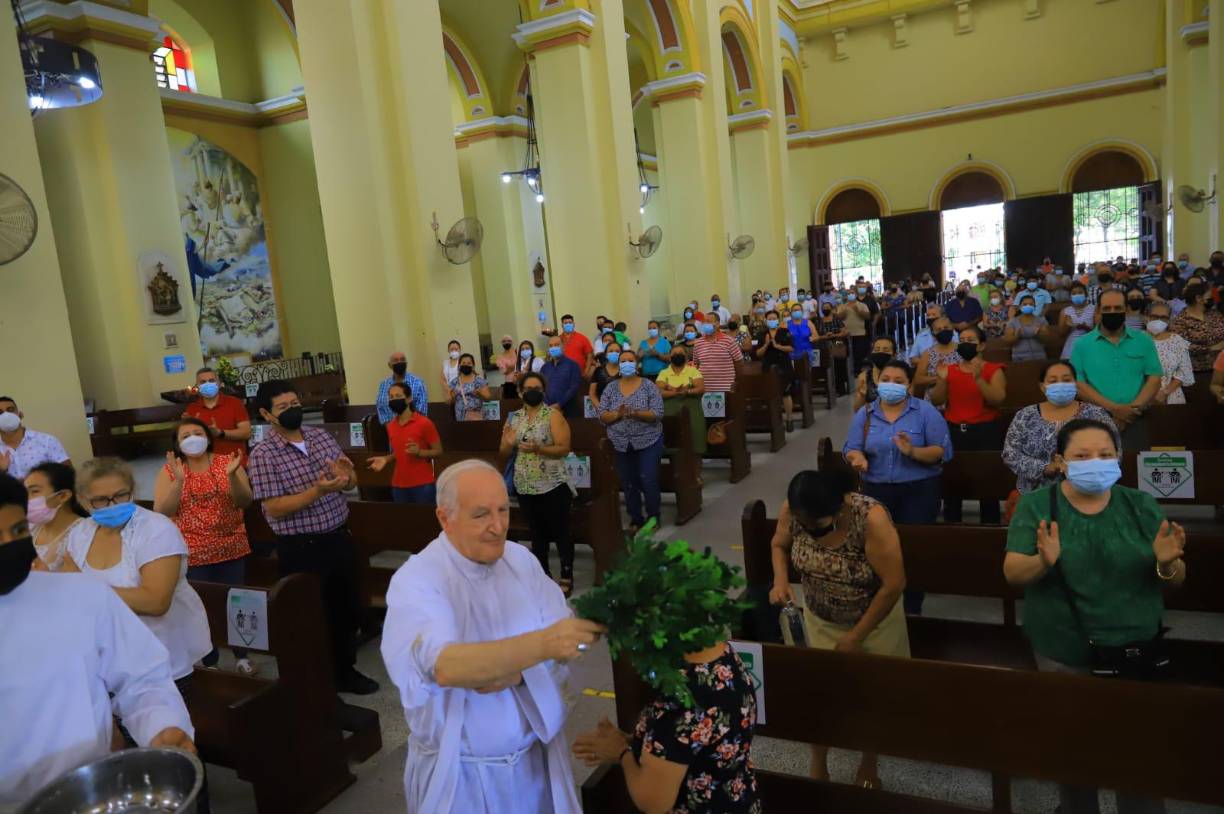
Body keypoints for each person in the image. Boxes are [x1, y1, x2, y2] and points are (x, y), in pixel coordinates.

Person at [380, 460, 603, 814]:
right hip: (464, 776)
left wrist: (518, 673)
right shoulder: (419, 580)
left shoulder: (521, 561)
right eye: (481, 514)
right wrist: (541, 646)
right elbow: (444, 666)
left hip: (535, 761)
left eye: (503, 509)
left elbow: (567, 634)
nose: (498, 526)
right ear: (444, 517)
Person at [1004, 417, 1182, 814]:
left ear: (1118, 457)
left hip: (1136, 648)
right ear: (1061, 461)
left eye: (1105, 454)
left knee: (1138, 758)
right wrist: (1044, 563)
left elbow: (1174, 578)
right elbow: (1013, 572)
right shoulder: (1037, 506)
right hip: (1065, 648)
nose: (1095, 462)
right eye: (1082, 456)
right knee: (1076, 752)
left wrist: (1166, 563)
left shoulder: (1139, 505)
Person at [0, 472, 196, 806]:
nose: (8, 546)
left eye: (17, 531)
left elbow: (142, 678)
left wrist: (163, 725)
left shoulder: (81, 595)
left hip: (92, 790)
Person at [61, 456, 211, 756]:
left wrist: (88, 591)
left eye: (121, 495)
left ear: (132, 490)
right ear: (83, 501)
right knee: (125, 760)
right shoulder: (81, 533)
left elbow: (155, 601)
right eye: (101, 500)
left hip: (164, 662)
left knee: (172, 749)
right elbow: (68, 594)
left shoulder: (155, 529)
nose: (113, 505)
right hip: (108, 664)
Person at [767, 469, 907, 787]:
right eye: (805, 527)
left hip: (873, 621)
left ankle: (869, 762)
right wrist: (779, 580)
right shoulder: (794, 508)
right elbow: (779, 544)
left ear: (839, 509)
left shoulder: (869, 518)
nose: (811, 533)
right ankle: (818, 761)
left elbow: (894, 584)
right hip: (820, 617)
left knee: (871, 698)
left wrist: (856, 636)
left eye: (818, 528)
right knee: (818, 697)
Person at [248, 380, 378, 695]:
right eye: (283, 407)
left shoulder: (320, 437)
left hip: (338, 536)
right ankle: (320, 683)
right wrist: (317, 490)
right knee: (312, 616)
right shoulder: (263, 455)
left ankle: (345, 671)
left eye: (295, 403)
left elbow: (351, 479)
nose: (292, 409)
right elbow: (275, 508)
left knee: (345, 609)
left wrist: (347, 477)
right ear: (267, 414)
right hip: (301, 547)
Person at [842, 360, 949, 615]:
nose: (891, 384)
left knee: (912, 549)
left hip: (918, 490)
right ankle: (881, 606)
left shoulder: (925, 412)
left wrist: (912, 451)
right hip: (875, 491)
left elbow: (941, 451)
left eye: (898, 381)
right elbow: (851, 447)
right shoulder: (866, 414)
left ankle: (913, 606)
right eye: (886, 379)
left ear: (910, 386)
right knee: (876, 548)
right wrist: (856, 457)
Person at [154, 418, 255, 673]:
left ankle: (243, 656)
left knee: (238, 604)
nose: (192, 438)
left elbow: (244, 501)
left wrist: (232, 476)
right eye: (185, 436)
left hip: (231, 547)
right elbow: (163, 511)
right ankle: (210, 660)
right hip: (193, 553)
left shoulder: (227, 462)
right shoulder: (170, 470)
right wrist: (178, 481)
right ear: (177, 444)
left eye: (197, 433)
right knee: (202, 609)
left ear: (208, 437)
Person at [500, 372, 575, 595]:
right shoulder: (513, 418)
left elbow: (564, 448)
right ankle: (543, 574)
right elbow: (503, 452)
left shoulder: (553, 415)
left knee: (560, 531)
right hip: (525, 484)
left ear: (543, 391)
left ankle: (566, 573)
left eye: (537, 387)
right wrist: (508, 442)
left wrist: (539, 449)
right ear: (521, 392)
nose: (533, 391)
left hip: (552, 483)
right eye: (528, 387)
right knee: (537, 533)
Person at [1002, 360, 1117, 495]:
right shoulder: (1025, 415)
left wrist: (1078, 468)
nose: (1060, 384)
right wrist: (1044, 468)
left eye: (1067, 380)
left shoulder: (1096, 414)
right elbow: (1010, 454)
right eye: (1053, 381)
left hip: (1088, 492)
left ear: (1075, 383)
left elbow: (1115, 451)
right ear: (1042, 386)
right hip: (1035, 494)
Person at [929, 326, 1007, 524]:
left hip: (984, 432)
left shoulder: (993, 369)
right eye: (962, 339)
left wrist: (979, 379)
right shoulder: (950, 370)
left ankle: (990, 527)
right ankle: (952, 527)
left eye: (970, 339)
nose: (965, 343)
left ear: (981, 345)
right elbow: (937, 400)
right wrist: (942, 381)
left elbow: (998, 399)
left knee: (987, 485)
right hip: (954, 431)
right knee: (953, 484)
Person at [1070, 289, 1162, 449]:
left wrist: (1130, 412)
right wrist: (1115, 410)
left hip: (1136, 419)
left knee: (1136, 470)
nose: (1112, 312)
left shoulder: (1144, 340)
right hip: (1095, 420)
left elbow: (1154, 379)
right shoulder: (1081, 344)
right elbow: (1078, 384)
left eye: (1117, 308)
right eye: (1107, 308)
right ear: (1098, 310)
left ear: (1126, 309)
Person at [599, 350, 665, 532]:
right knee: (628, 481)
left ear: (636, 365)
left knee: (648, 478)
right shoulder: (611, 388)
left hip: (648, 439)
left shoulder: (648, 386)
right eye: (623, 361)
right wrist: (617, 414)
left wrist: (636, 413)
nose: (626, 363)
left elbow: (657, 413)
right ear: (619, 366)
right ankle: (636, 518)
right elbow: (603, 415)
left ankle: (653, 517)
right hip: (620, 442)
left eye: (630, 360)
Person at [366, 381, 443, 504]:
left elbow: (439, 452)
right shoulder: (391, 425)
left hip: (423, 485)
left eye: (398, 396)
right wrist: (386, 459)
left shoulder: (424, 423)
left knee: (424, 521)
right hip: (399, 485)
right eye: (391, 397)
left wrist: (420, 452)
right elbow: (400, 452)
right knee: (405, 521)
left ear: (409, 399)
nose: (393, 400)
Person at [24, 461, 88, 571]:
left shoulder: (84, 533)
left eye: (34, 491)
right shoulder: (30, 528)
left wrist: (47, 578)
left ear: (63, 496)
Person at [184, 367, 252, 464]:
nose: (207, 384)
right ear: (197, 387)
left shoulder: (234, 403)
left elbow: (246, 433)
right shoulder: (192, 409)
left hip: (236, 463)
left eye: (211, 380)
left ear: (219, 384)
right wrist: (188, 428)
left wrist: (221, 433)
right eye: (203, 382)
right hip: (206, 466)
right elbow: (187, 443)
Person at [0, 396, 70, 481]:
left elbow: (68, 473)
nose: (6, 415)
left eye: (10, 410)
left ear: (20, 415)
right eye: (0, 413)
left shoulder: (47, 441)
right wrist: (2, 471)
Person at [656, 346, 707, 455]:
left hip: (692, 411)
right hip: (669, 412)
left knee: (695, 438)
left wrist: (687, 392)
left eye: (681, 353)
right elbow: (658, 391)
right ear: (670, 357)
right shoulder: (664, 373)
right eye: (675, 353)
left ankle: (695, 467)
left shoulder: (693, 371)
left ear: (686, 357)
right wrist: (676, 392)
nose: (677, 355)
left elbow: (701, 388)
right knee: (671, 441)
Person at [1169, 282, 1224, 376]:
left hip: (1220, 370)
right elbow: (1180, 346)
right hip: (1197, 372)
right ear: (1198, 298)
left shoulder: (1215, 314)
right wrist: (1210, 348)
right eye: (1209, 297)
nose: (1213, 299)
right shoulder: (1180, 321)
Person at [1145, 301, 1194, 405]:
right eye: (1154, 316)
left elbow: (1185, 371)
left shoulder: (1177, 341)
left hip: (1171, 397)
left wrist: (1164, 393)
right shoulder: (1135, 340)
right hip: (1140, 398)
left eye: (1163, 317)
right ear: (1146, 317)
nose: (1158, 320)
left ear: (1169, 320)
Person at [753, 310, 796, 429]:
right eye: (770, 319)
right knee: (773, 394)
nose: (772, 321)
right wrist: (766, 344)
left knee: (786, 394)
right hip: (769, 367)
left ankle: (789, 419)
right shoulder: (761, 334)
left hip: (784, 365)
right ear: (766, 321)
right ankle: (776, 421)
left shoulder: (784, 332)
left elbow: (791, 348)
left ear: (778, 319)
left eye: (774, 318)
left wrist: (778, 346)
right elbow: (758, 353)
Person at [691, 314, 744, 393]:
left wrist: (736, 382)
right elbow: (696, 365)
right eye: (704, 322)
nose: (705, 324)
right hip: (705, 390)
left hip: (726, 389)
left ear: (718, 323)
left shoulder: (729, 341)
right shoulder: (698, 343)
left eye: (708, 321)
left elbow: (739, 362)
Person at [377, 350, 431, 425]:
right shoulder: (383, 385)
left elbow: (422, 411)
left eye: (402, 360)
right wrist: (391, 428)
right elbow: (381, 409)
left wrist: (406, 429)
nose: (399, 362)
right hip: (389, 431)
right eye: (396, 360)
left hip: (413, 430)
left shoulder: (418, 383)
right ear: (389, 365)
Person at [911, 316, 961, 396]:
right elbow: (918, 379)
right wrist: (940, 378)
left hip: (959, 394)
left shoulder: (962, 349)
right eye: (939, 329)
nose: (943, 331)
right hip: (934, 397)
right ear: (933, 333)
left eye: (946, 327)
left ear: (952, 328)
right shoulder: (928, 353)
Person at [541, 334, 584, 419]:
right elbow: (541, 388)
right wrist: (548, 406)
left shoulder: (573, 365)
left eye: (557, 345)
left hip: (569, 410)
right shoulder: (545, 367)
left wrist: (559, 404)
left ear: (563, 346)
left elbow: (573, 388)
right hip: (548, 410)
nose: (553, 348)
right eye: (551, 346)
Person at [853, 336, 897, 412]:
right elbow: (857, 410)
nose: (880, 353)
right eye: (876, 349)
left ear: (894, 355)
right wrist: (861, 395)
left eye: (885, 350)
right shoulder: (864, 376)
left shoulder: (901, 376)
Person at [1004, 292, 1050, 362]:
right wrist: (1017, 336)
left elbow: (1047, 339)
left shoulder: (1041, 320)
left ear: (1034, 306)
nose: (1028, 306)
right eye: (1025, 304)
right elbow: (1008, 340)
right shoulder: (1013, 322)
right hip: (1019, 357)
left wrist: (1039, 334)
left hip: (1039, 356)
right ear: (1019, 306)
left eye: (1031, 304)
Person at [449, 352, 492, 421]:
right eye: (463, 363)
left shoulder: (479, 380)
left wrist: (480, 393)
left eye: (469, 363)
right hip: (460, 418)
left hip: (477, 418)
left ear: (473, 366)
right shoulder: (454, 382)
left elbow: (488, 398)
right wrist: (453, 396)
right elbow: (449, 401)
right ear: (459, 365)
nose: (466, 365)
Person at [836, 291, 871, 374]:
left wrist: (858, 310)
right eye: (848, 294)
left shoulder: (862, 305)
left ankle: (857, 371)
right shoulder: (842, 306)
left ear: (855, 295)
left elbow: (867, 316)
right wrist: (845, 310)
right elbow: (839, 318)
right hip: (846, 334)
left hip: (859, 333)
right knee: (846, 353)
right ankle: (847, 372)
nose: (850, 295)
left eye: (852, 293)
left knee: (858, 353)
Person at [1060, 282, 1096, 359]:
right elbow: (1061, 334)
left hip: (1090, 346)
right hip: (1071, 348)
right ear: (1070, 296)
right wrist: (1068, 326)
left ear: (1086, 295)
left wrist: (1086, 328)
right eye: (1074, 293)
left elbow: (1099, 332)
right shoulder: (1065, 311)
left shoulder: (1094, 309)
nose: (1077, 295)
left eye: (1080, 292)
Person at [588, 340, 623, 413]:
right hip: (602, 411)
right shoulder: (598, 371)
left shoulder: (626, 371)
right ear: (606, 354)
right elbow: (592, 394)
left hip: (622, 411)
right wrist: (601, 409)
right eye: (611, 351)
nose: (614, 353)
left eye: (617, 351)